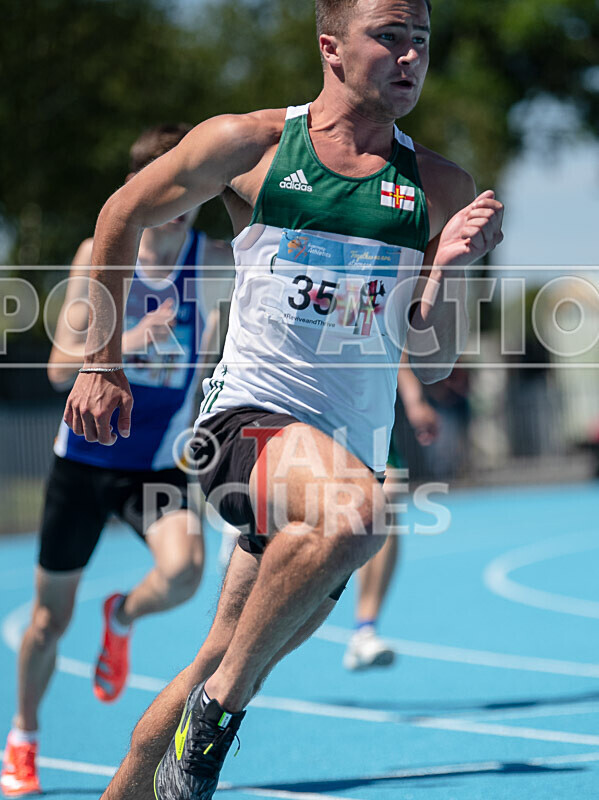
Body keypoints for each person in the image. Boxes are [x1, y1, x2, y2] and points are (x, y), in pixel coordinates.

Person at [63, 1, 504, 797]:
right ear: (330, 47)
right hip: (245, 428)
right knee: (359, 514)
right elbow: (120, 212)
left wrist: (448, 268)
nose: (410, 58)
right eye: (390, 38)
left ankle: (142, 775)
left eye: (422, 43)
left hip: (342, 459)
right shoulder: (253, 143)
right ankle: (216, 725)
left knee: (221, 654)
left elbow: (433, 362)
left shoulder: (438, 185)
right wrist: (102, 363)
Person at [0, 124, 234, 798]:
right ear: (145, 188)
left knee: (186, 571)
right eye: (171, 184)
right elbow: (57, 369)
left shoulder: (210, 260)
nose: (184, 198)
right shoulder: (100, 255)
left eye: (195, 184)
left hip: (155, 462)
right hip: (85, 458)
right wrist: (129, 338)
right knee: (47, 620)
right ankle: (23, 734)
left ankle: (123, 616)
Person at [344, 356, 439, 670]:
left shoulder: (377, 308)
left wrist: (414, 400)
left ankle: (365, 628)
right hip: (321, 403)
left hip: (370, 414)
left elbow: (395, 347)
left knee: (387, 501)